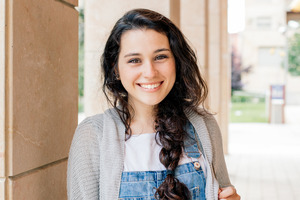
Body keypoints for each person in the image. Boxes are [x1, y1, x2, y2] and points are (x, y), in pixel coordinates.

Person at [67, 8, 240, 200]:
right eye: (134, 60)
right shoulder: (92, 136)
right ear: (116, 69)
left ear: (176, 61)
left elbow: (225, 190)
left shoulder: (204, 126)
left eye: (160, 57)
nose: (150, 72)